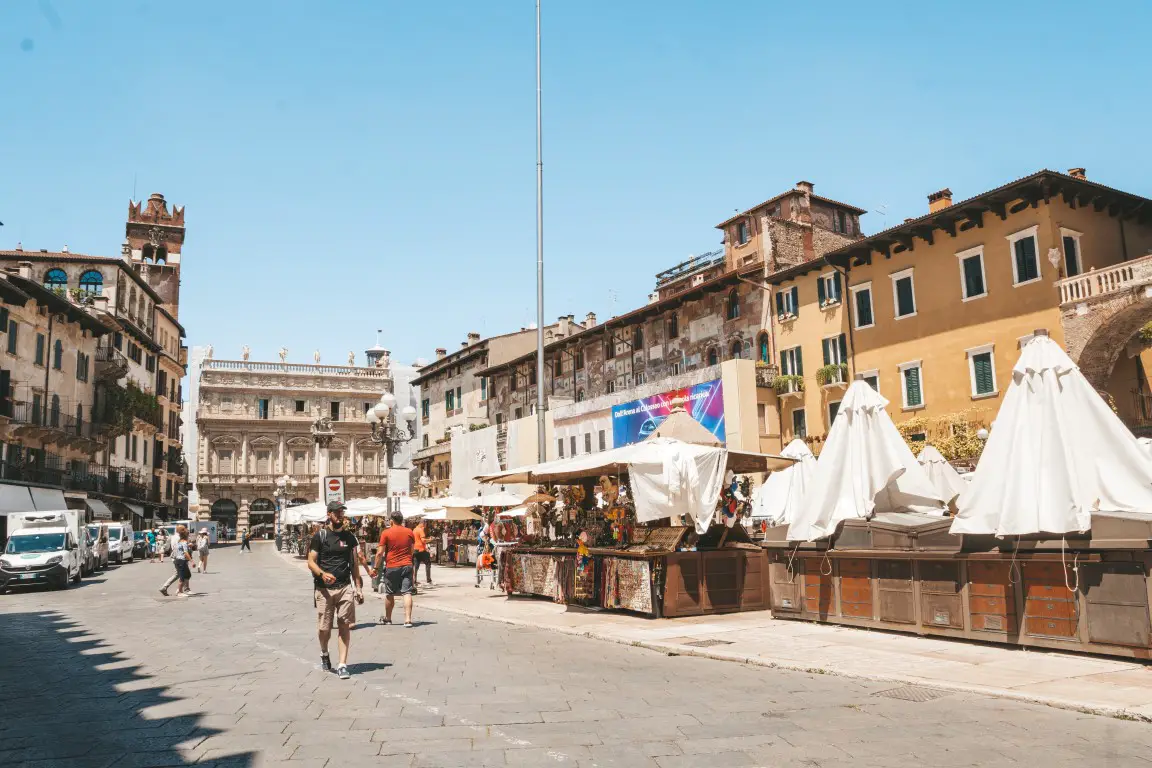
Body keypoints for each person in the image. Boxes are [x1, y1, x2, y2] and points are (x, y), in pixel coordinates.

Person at [307, 502, 364, 680]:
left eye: (342, 512)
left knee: (344, 624)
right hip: (324, 589)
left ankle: (342, 664)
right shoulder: (320, 536)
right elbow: (310, 562)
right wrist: (322, 574)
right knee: (324, 629)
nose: (340, 515)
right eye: (337, 512)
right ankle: (324, 652)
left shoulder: (350, 538)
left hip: (345, 586)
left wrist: (358, 587)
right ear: (329, 514)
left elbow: (354, 564)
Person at [374, 511, 415, 628]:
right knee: (407, 592)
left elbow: (380, 553)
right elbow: (412, 550)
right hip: (407, 565)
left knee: (389, 593)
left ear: (391, 521)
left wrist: (376, 568)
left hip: (392, 566)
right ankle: (407, 620)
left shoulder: (386, 533)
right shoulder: (409, 532)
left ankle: (388, 618)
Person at [159, 525, 193, 597]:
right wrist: (188, 545)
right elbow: (182, 548)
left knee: (180, 574)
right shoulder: (180, 537)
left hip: (175, 557)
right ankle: (180, 590)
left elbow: (167, 546)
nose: (185, 530)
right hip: (180, 557)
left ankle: (181, 589)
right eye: (184, 529)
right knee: (181, 574)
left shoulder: (172, 536)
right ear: (181, 530)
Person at [413, 519, 432, 585]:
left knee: (416, 566)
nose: (426, 526)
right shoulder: (421, 530)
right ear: (423, 523)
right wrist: (430, 540)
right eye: (426, 524)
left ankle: (414, 581)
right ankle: (429, 580)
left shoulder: (414, 529)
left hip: (415, 549)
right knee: (428, 564)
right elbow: (423, 540)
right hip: (421, 549)